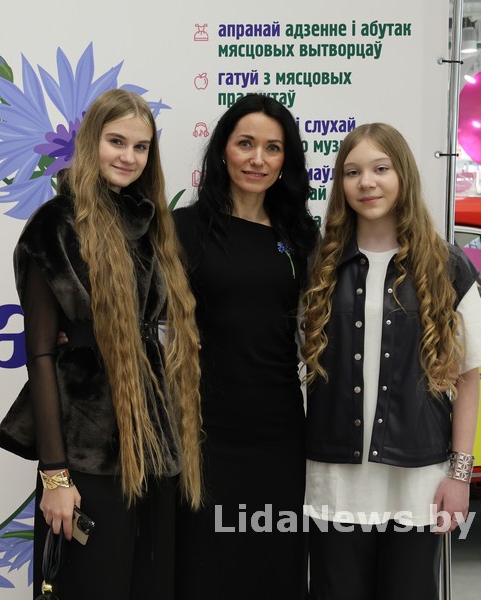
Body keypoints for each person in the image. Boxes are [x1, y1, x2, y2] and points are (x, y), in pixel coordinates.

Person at [0, 88, 203, 599]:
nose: (128, 156)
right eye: (116, 141)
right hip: (87, 453)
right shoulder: (54, 226)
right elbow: (40, 353)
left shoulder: (152, 226)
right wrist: (55, 476)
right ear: (91, 142)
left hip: (153, 448)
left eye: (141, 146)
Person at [300, 123, 481, 600]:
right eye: (352, 172)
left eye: (381, 169)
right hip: (334, 481)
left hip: (418, 482)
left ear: (403, 175)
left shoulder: (447, 266)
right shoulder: (318, 266)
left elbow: (469, 377)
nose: (367, 183)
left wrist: (460, 476)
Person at [173, 93, 318, 599]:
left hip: (279, 431)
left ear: (285, 160)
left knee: (273, 566)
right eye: (245, 144)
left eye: (272, 148)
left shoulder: (301, 235)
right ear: (223, 150)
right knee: (205, 569)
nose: (258, 159)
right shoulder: (183, 229)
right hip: (204, 432)